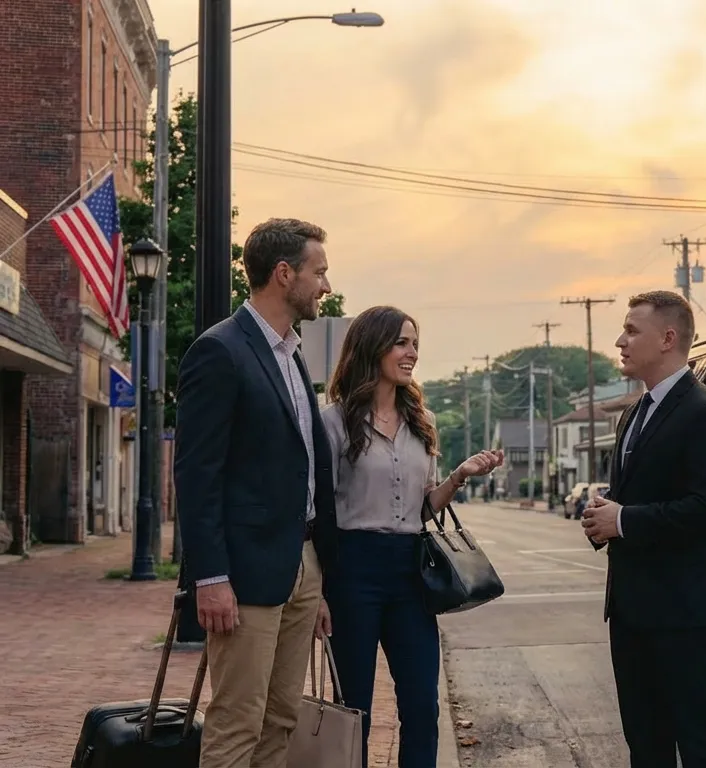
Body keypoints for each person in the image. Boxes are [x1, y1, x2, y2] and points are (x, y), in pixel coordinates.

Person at [173, 217, 336, 768]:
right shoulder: (219, 351)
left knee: (282, 717)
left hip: (301, 563)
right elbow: (197, 475)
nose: (326, 286)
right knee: (238, 720)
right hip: (243, 573)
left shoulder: (293, 354)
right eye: (319, 272)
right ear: (283, 273)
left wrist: (316, 575)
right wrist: (210, 576)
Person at [316, 305, 503, 767]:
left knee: (422, 702)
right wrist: (317, 592)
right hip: (351, 570)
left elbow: (420, 507)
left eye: (415, 343)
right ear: (372, 346)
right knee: (353, 708)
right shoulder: (334, 422)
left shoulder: (423, 421)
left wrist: (459, 476)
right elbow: (317, 513)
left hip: (409, 571)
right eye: (401, 342)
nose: (412, 353)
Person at [581, 290, 706, 768]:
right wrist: (604, 517)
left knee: (699, 742)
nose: (620, 341)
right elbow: (639, 497)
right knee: (644, 744)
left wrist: (624, 520)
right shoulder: (634, 412)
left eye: (632, 330)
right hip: (631, 609)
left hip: (684, 613)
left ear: (668, 338)